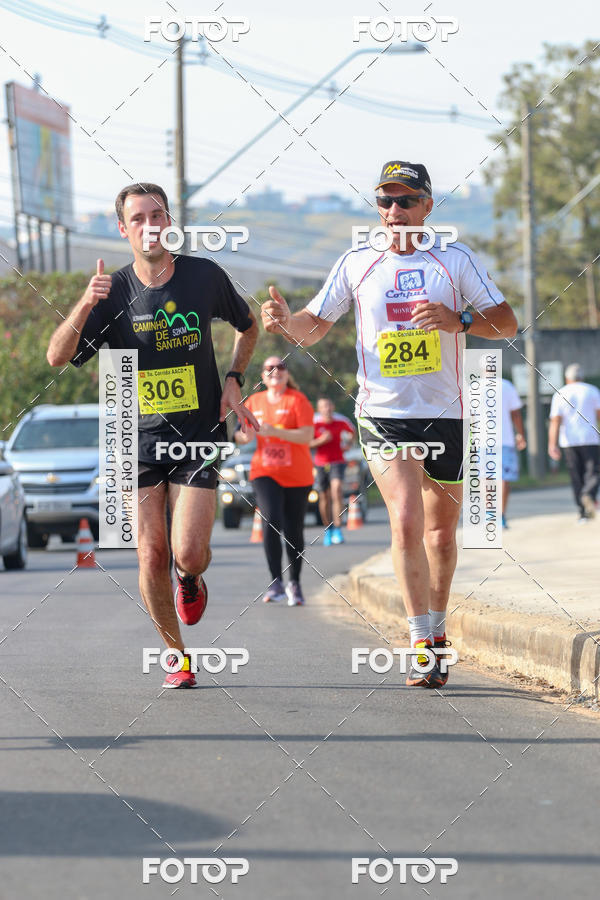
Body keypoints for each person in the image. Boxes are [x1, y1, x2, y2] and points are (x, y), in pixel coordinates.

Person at [261, 160, 517, 687]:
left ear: (427, 205)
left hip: (445, 413)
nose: (394, 212)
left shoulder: (455, 259)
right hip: (383, 414)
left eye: (405, 201)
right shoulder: (357, 262)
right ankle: (420, 640)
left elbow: (508, 322)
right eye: (385, 202)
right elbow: (314, 327)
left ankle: (439, 627)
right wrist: (286, 323)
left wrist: (460, 320)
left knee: (442, 535)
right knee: (404, 521)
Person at [46, 183, 259, 688]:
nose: (149, 226)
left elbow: (248, 327)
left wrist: (233, 380)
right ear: (124, 229)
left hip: (197, 434)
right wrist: (82, 305)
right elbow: (57, 357)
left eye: (157, 215)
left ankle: (191, 579)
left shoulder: (203, 276)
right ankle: (176, 657)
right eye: (138, 218)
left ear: (171, 222)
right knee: (150, 551)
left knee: (186, 553)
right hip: (136, 439)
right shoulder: (111, 293)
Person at [236, 357, 314, 606]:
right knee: (271, 519)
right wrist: (243, 435)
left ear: (286, 373)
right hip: (265, 471)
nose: (275, 371)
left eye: (280, 366)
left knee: (293, 529)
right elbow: (241, 435)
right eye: (269, 367)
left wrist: (275, 431)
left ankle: (295, 582)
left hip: (297, 474)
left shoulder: (297, 400)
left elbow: (307, 435)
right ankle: (275, 582)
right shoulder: (253, 401)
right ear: (262, 375)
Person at [548, 363, 600, 522]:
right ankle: (588, 494)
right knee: (593, 472)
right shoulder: (592, 390)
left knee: (576, 475)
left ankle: (582, 512)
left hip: (569, 441)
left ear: (567, 378)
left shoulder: (560, 393)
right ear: (582, 377)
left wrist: (552, 444)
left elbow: (555, 421)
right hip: (590, 438)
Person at [310, 397, 355, 545]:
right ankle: (328, 529)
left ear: (333, 407)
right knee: (324, 497)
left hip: (337, 461)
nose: (327, 409)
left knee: (337, 491)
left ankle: (338, 528)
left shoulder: (340, 421)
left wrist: (348, 444)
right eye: (323, 406)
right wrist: (321, 441)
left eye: (329, 405)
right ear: (319, 409)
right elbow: (306, 443)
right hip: (321, 463)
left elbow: (352, 432)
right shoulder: (314, 423)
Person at [501, 377, 526, 528]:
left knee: (486, 479)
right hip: (505, 440)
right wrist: (521, 434)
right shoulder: (506, 386)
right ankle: (501, 516)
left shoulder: (474, 387)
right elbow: (516, 414)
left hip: (482, 441)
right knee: (503, 479)